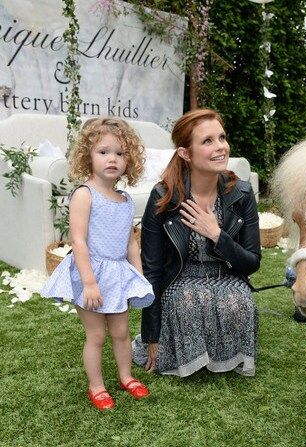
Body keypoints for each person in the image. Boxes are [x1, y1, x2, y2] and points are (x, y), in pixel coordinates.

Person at [132, 108, 261, 377]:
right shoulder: (163, 199)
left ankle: (221, 352)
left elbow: (251, 263)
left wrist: (217, 234)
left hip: (226, 276)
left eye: (222, 138)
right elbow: (153, 271)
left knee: (238, 300)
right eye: (207, 141)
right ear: (185, 153)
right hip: (179, 280)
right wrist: (152, 337)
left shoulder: (243, 193)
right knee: (190, 299)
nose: (220, 148)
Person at [41, 117, 155, 410]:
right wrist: (89, 281)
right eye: (103, 152)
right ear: (87, 156)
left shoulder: (125, 200)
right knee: (97, 334)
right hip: (89, 273)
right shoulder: (84, 194)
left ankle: (126, 376)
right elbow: (78, 241)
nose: (112, 159)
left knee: (121, 332)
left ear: (129, 160)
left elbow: (130, 242)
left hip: (117, 275)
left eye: (120, 153)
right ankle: (97, 385)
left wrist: (138, 276)